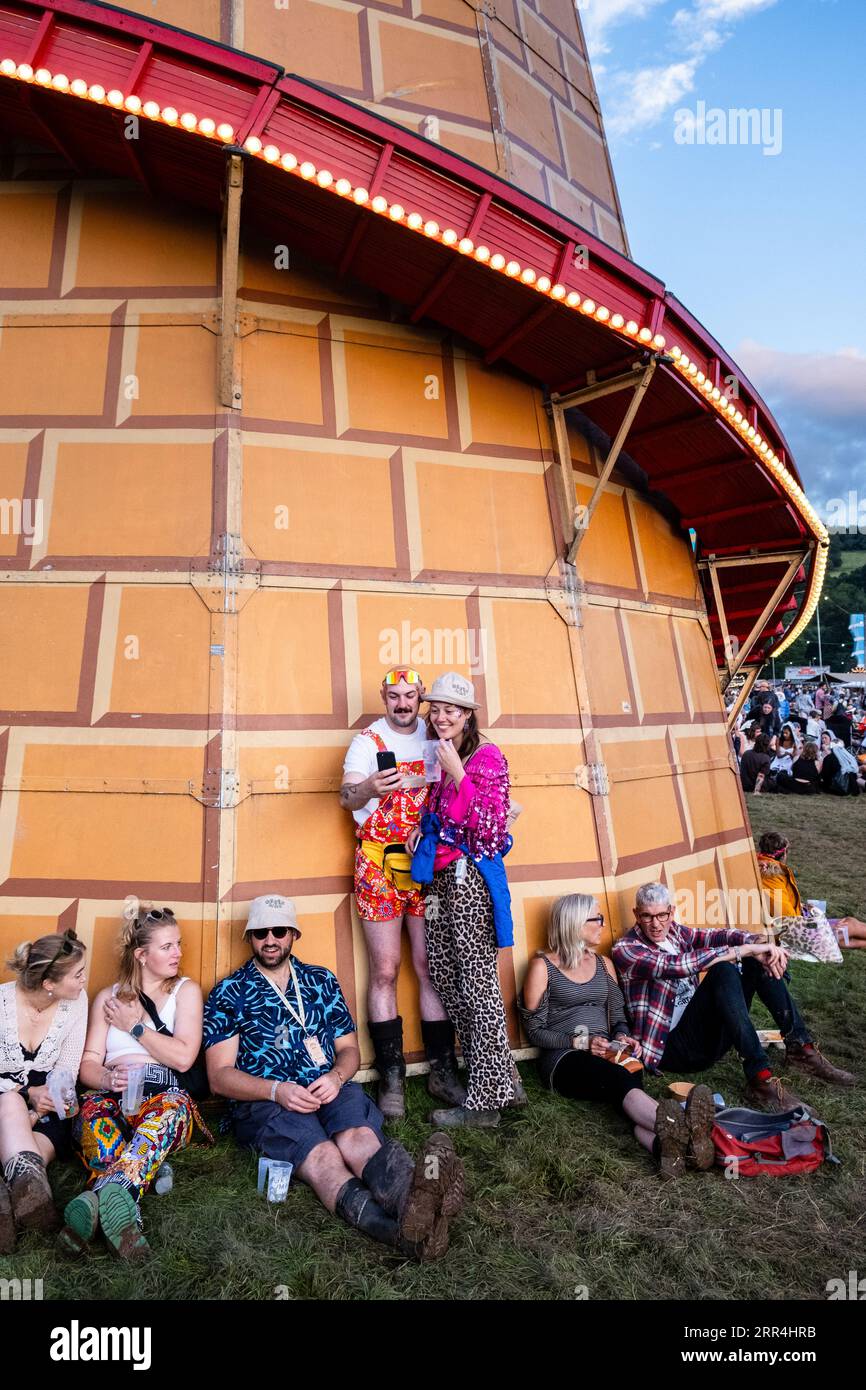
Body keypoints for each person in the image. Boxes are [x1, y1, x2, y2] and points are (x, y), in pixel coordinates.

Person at [203, 895, 465, 1260]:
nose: (270, 939)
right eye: (260, 932)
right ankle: (402, 1234)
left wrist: (337, 1077)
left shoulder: (320, 980)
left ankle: (416, 1200)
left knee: (357, 1139)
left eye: (279, 931)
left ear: (293, 934)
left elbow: (350, 1051)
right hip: (267, 1102)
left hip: (328, 1085)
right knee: (325, 1158)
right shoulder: (229, 992)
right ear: (250, 937)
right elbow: (219, 1076)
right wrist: (277, 1091)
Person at [519, 895, 715, 1180]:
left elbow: (618, 1018)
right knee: (618, 1080)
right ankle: (686, 1128)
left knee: (628, 1080)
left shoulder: (604, 964)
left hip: (608, 1051)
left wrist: (623, 1037)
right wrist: (581, 1042)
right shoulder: (543, 967)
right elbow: (535, 1032)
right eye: (596, 919)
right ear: (575, 924)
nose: (603, 924)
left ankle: (672, 1150)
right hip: (565, 1057)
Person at [612, 883, 855, 1112]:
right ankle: (760, 1079)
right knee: (723, 969)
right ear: (636, 914)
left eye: (662, 915)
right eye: (647, 916)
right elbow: (677, 965)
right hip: (673, 1049)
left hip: (706, 1037)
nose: (656, 924)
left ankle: (801, 1048)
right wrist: (744, 951)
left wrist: (757, 943)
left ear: (671, 912)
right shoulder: (627, 949)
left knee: (754, 961)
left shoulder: (674, 932)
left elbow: (716, 936)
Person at [340, 668, 463, 1118]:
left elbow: (462, 787)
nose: (403, 704)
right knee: (386, 970)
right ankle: (391, 1076)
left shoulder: (437, 736)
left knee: (429, 965)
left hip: (426, 867)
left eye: (411, 696)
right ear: (384, 698)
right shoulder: (367, 742)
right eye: (394, 697)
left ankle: (441, 1067)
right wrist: (368, 787)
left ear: (420, 699)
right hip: (378, 865)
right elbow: (346, 796)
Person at [59, 905, 210, 1260]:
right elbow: (88, 1064)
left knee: (168, 1115)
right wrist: (107, 1077)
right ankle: (122, 1212)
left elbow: (184, 1057)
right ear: (141, 955)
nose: (179, 953)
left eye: (178, 944)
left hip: (163, 1095)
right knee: (92, 1114)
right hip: (113, 1095)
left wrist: (135, 1027)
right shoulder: (107, 999)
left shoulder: (185, 992)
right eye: (168, 946)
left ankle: (101, 1198)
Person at [407, 672, 516, 1128]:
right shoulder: (443, 751)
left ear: (468, 715)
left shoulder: (486, 757)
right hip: (439, 878)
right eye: (436, 709)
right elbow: (443, 813)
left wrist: (458, 775)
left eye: (452, 709)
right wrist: (423, 826)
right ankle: (501, 1078)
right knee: (447, 977)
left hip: (468, 876)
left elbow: (490, 828)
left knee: (477, 985)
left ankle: (487, 1104)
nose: (442, 716)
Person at [0, 930, 88, 1249]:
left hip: (48, 1108)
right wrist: (25, 1095)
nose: (83, 980)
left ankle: (16, 1192)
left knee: (39, 1135)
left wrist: (39, 1108)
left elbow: (67, 1070)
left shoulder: (76, 1003)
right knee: (9, 1103)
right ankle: (30, 1196)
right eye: (77, 975)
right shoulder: (2, 1002)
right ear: (49, 984)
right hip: (6, 1096)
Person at [757, 832, 866, 950]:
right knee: (849, 925)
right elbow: (786, 919)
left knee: (845, 936)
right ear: (784, 854)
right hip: (791, 933)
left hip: (787, 925)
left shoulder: (759, 864)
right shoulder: (772, 874)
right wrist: (819, 925)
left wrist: (802, 906)